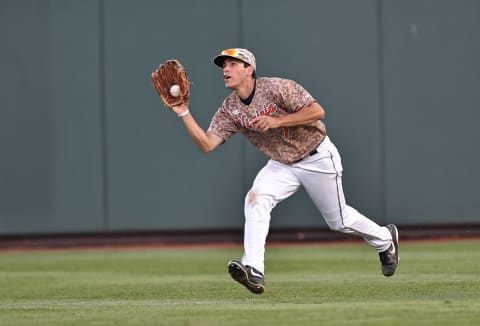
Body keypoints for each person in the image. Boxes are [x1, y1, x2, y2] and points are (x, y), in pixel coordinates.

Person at [168, 48, 399, 294]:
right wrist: (183, 111)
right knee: (255, 199)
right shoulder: (230, 108)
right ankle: (254, 269)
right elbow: (207, 144)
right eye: (224, 65)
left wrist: (277, 121)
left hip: (316, 155)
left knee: (339, 221)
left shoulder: (277, 87)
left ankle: (385, 239)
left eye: (233, 64)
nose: (226, 69)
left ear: (250, 69)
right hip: (281, 164)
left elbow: (317, 112)